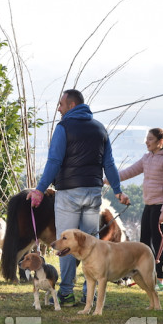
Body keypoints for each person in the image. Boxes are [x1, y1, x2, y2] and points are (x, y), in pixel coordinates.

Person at [27, 89, 130, 307]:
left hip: (69, 194)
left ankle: (65, 292)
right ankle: (89, 293)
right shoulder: (100, 128)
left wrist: (39, 189)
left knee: (64, 244)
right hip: (93, 193)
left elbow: (54, 161)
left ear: (72, 105)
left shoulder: (63, 128)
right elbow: (109, 164)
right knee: (89, 244)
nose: (58, 108)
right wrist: (118, 190)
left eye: (61, 104)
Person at [107, 128, 163, 292]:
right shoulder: (147, 158)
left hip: (162, 206)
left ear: (160, 142)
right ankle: (148, 276)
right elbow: (129, 172)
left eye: (150, 139)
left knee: (158, 242)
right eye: (146, 139)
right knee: (144, 242)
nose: (147, 142)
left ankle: (161, 280)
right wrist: (109, 180)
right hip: (149, 204)